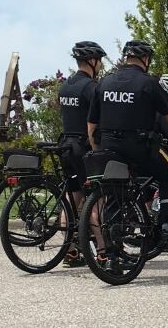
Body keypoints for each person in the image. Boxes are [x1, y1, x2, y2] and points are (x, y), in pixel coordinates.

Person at [87, 40, 168, 249]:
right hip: (139, 146)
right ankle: (167, 226)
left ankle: (113, 253)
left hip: (108, 146)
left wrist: (98, 151)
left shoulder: (103, 83)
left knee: (116, 190)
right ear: (146, 59)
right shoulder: (149, 83)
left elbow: (91, 124)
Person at [58, 41, 106, 267]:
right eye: (100, 60)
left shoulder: (65, 86)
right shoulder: (91, 87)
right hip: (84, 147)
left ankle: (70, 251)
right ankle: (103, 252)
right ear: (92, 61)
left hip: (65, 145)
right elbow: (96, 121)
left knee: (71, 198)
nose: (101, 64)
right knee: (96, 200)